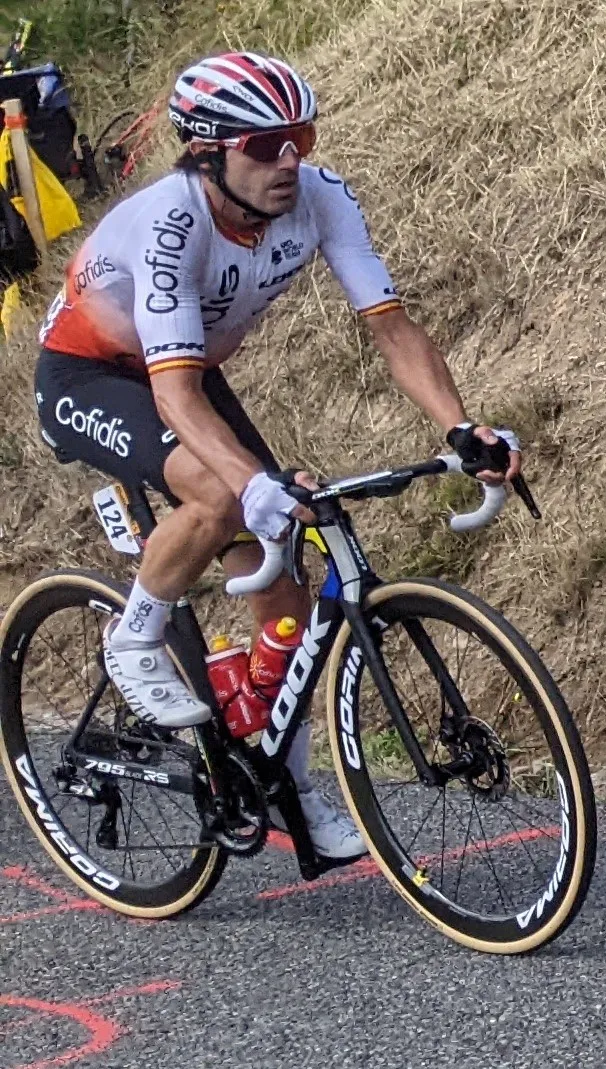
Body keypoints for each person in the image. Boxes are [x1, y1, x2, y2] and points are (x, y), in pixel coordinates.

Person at [34, 51, 522, 860]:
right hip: (90, 372)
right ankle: (135, 635)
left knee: (284, 594)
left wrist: (460, 429)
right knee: (224, 495)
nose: (289, 161)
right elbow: (176, 400)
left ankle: (282, 782)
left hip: (185, 370)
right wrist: (249, 482)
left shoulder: (320, 199)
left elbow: (391, 328)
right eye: (263, 146)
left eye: (299, 136)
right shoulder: (171, 222)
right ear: (205, 152)